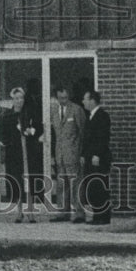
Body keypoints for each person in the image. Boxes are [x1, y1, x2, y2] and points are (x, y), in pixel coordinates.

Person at [0, 86, 43, 223]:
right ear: (13, 99)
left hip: (29, 152)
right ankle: (19, 212)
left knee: (30, 180)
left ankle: (31, 211)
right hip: (14, 153)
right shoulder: (8, 115)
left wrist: (31, 131)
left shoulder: (30, 112)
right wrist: (7, 142)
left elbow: (39, 127)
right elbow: (1, 132)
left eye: (21, 98)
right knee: (17, 181)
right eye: (16, 98)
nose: (19, 101)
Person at [50, 85, 86, 223]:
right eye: (60, 98)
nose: (63, 100)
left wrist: (81, 153)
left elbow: (83, 133)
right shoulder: (54, 111)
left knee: (76, 183)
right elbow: (54, 135)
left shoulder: (76, 110)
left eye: (65, 97)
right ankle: (62, 213)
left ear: (68, 96)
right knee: (61, 184)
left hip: (73, 153)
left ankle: (79, 213)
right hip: (60, 155)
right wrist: (53, 155)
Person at [81, 89, 111, 225]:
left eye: (85, 99)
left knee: (99, 186)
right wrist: (83, 154)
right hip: (89, 157)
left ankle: (103, 217)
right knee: (92, 186)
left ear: (92, 100)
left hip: (98, 157)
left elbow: (103, 137)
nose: (83, 102)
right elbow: (86, 139)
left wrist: (97, 154)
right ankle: (96, 215)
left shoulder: (102, 116)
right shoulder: (90, 116)